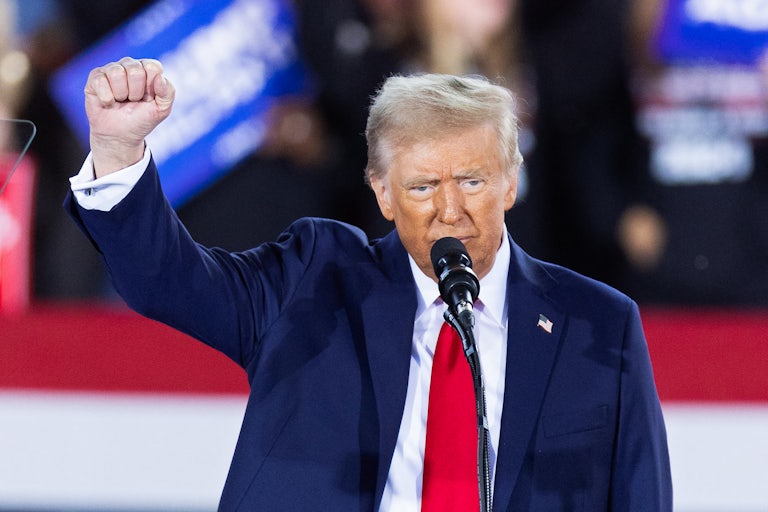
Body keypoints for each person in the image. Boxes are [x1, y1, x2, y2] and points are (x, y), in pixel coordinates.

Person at [65, 57, 672, 511]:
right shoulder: (314, 278)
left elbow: (640, 495)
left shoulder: (598, 324)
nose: (450, 210)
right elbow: (169, 282)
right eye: (422, 187)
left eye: (472, 181)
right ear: (382, 193)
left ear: (511, 182)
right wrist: (118, 150)